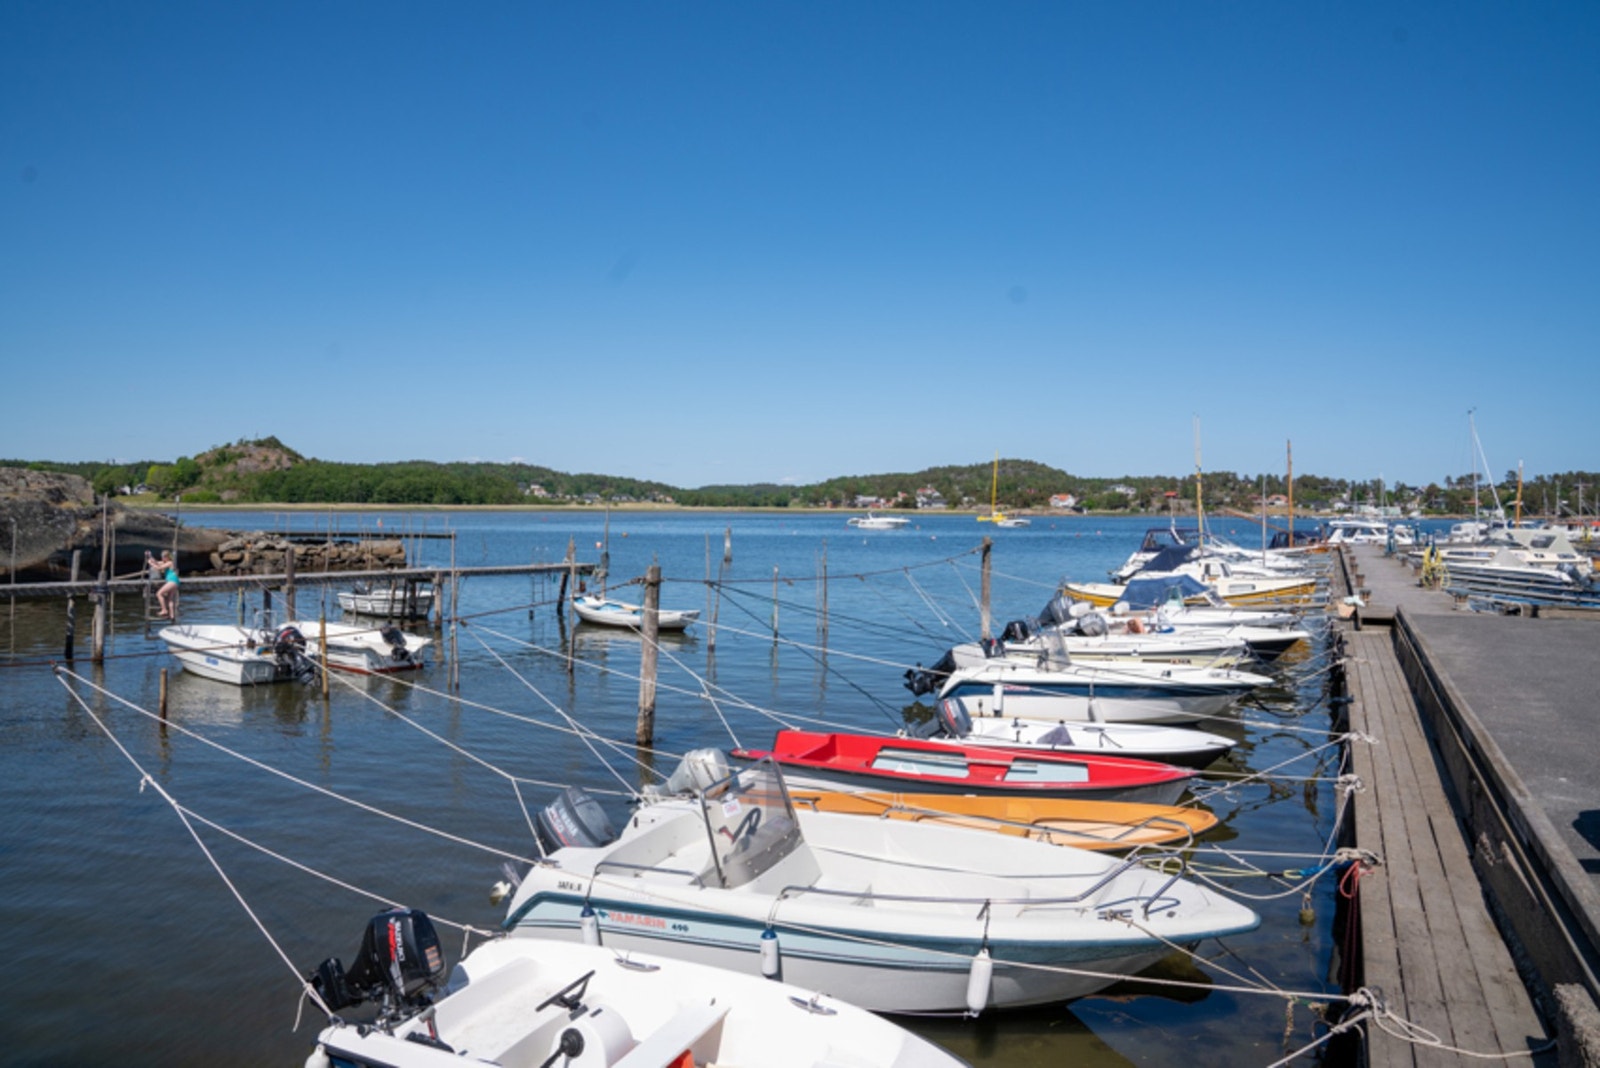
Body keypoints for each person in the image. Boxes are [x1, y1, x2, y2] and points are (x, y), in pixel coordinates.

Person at [151, 550, 179, 618]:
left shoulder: (170, 563)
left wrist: (151, 564)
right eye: (162, 557)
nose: (162, 559)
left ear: (167, 557)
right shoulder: (166, 562)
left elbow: (159, 568)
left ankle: (164, 610)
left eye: (163, 557)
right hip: (174, 582)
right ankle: (172, 615)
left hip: (172, 581)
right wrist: (151, 558)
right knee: (170, 599)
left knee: (159, 593)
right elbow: (157, 563)